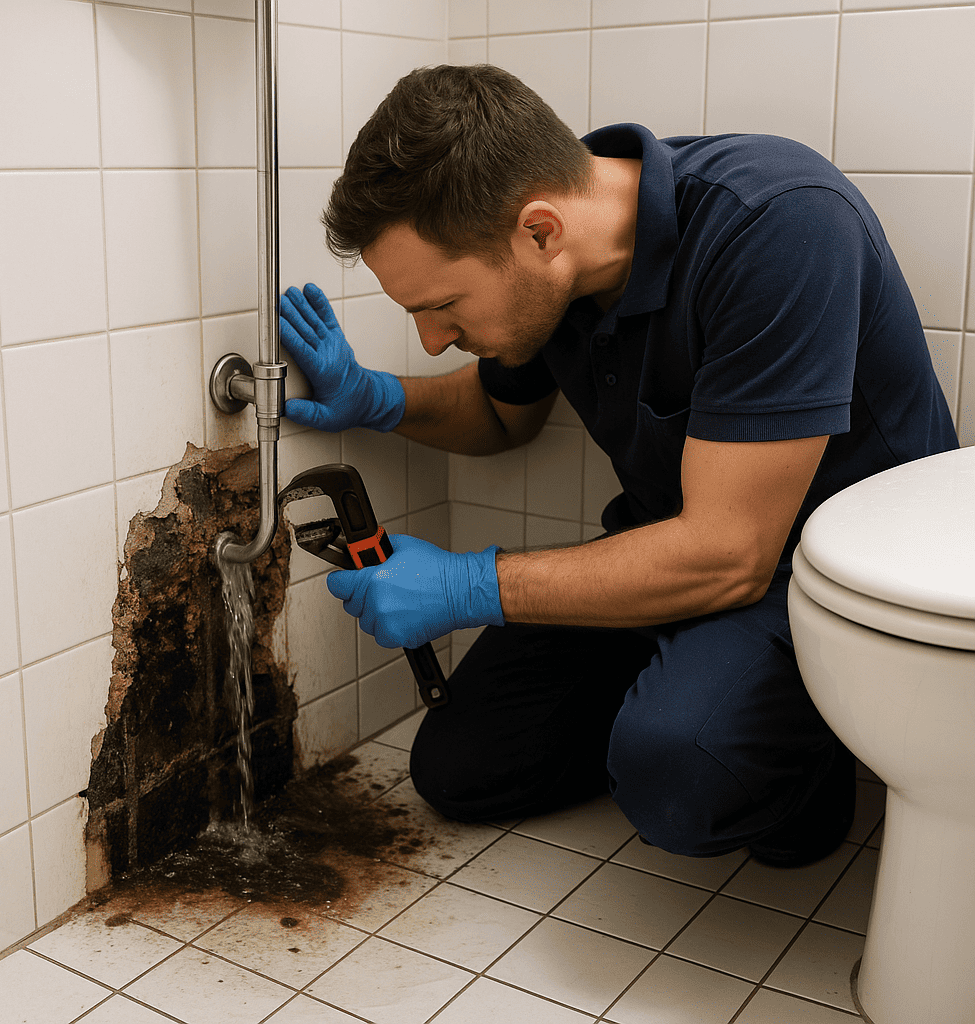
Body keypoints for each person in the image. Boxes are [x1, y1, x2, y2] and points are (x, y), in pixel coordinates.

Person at [278, 64, 958, 866]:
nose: (430, 338)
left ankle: (787, 760)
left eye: (442, 307)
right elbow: (502, 415)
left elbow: (731, 557)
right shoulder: (555, 270)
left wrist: (468, 586)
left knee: (680, 774)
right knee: (461, 770)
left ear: (539, 231)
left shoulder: (777, 224)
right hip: (669, 557)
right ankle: (687, 704)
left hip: (811, 585)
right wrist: (377, 399)